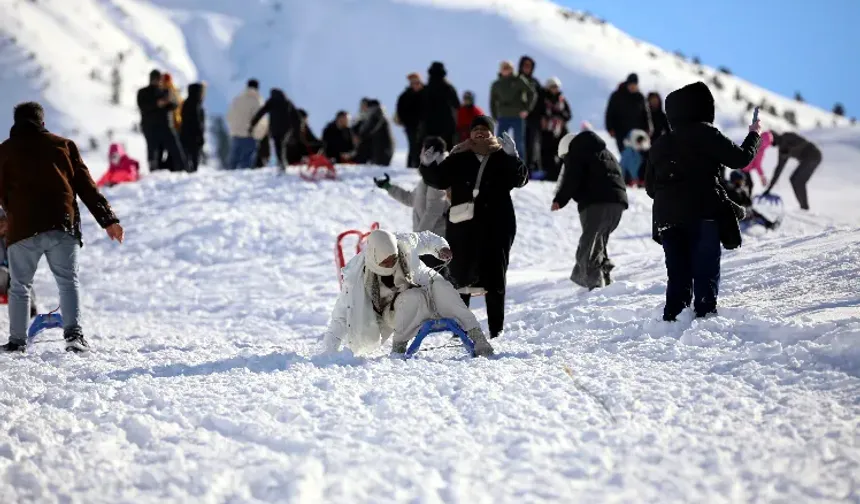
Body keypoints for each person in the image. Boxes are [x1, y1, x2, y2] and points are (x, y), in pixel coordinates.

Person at [0, 102, 125, 353]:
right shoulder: (63, 146)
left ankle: (17, 342)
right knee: (68, 281)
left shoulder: (4, 151)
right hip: (61, 224)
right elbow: (86, 186)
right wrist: (109, 220)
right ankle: (74, 336)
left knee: (19, 285)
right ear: (42, 123)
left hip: (22, 227)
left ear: (16, 124)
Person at [646, 82, 760, 321]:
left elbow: (649, 188)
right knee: (705, 268)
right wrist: (753, 135)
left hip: (667, 218)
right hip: (703, 211)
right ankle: (705, 318)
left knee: (677, 274)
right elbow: (740, 159)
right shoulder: (705, 132)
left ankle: (673, 319)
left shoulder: (660, 144)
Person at [420, 116, 528, 339]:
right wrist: (427, 165)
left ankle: (496, 330)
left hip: (498, 225)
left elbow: (520, 179)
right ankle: (461, 329)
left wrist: (513, 157)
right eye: (476, 129)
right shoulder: (459, 156)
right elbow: (440, 181)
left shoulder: (501, 156)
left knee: (495, 275)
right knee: (461, 275)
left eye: (485, 129)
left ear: (491, 132)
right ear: (470, 133)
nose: (480, 132)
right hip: (464, 227)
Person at [322, 229, 494, 357]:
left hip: (422, 287)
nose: (391, 263)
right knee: (410, 298)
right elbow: (341, 315)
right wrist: (328, 351)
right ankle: (399, 348)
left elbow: (426, 238)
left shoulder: (402, 243)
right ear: (374, 257)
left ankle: (477, 336)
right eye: (386, 261)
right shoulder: (357, 276)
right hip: (393, 312)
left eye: (394, 258)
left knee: (442, 286)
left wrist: (440, 248)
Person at [552, 130, 628, 289]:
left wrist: (560, 199)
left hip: (596, 204)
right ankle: (605, 279)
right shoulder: (605, 152)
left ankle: (591, 286)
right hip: (616, 206)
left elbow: (572, 177)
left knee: (588, 245)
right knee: (598, 243)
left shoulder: (577, 151)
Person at [374, 136, 450, 270]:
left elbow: (433, 211)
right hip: (427, 241)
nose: (421, 154)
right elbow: (411, 199)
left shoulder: (439, 176)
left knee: (433, 283)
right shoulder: (429, 176)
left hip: (436, 243)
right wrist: (388, 187)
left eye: (423, 150)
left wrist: (417, 239)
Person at [137, 69, 187, 172]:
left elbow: (175, 104)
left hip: (166, 126)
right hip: (150, 127)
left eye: (159, 79)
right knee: (154, 153)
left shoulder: (166, 91)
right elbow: (142, 106)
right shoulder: (143, 92)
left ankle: (183, 170)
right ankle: (155, 173)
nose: (158, 81)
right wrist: (157, 104)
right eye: (156, 78)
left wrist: (168, 102)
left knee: (176, 150)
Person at [490, 60, 537, 162]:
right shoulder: (496, 84)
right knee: (500, 142)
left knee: (518, 142)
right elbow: (492, 101)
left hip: (517, 116)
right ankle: (498, 166)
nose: (506, 70)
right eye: (504, 68)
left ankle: (520, 167)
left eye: (508, 68)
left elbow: (532, 93)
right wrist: (494, 117)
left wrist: (526, 109)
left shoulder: (519, 80)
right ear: (500, 70)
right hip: (503, 116)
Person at [764, 131, 821, 210]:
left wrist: (790, 149)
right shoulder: (782, 150)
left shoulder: (787, 136)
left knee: (797, 180)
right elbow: (778, 170)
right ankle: (804, 207)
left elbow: (803, 143)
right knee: (794, 179)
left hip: (813, 155)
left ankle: (804, 207)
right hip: (808, 159)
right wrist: (769, 188)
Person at [250, 88, 302, 170]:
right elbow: (296, 117)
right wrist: (296, 131)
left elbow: (261, 112)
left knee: (278, 145)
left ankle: (281, 163)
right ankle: (282, 163)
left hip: (275, 129)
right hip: (286, 129)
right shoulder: (287, 102)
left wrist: (252, 124)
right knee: (282, 145)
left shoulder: (271, 102)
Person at [0, 210, 39, 318]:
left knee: (22, 276)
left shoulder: (12, 239)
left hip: (11, 278)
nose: (1, 226)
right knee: (3, 272)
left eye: (3, 223)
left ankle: (31, 308)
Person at [605, 73, 652, 154]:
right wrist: (610, 128)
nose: (632, 87)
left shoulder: (640, 97)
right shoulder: (617, 95)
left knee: (639, 157)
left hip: (638, 132)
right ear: (627, 84)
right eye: (631, 84)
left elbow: (646, 114)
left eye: (634, 84)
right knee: (626, 155)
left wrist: (648, 128)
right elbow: (609, 113)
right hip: (621, 132)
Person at [226, 79, 268, 170]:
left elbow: (229, 116)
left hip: (235, 135)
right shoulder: (257, 102)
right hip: (249, 136)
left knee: (232, 162)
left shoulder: (237, 99)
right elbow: (261, 121)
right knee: (246, 164)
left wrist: (233, 129)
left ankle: (227, 182)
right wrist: (259, 135)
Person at [418, 62, 460, 148]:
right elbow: (457, 104)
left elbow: (420, 108)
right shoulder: (448, 88)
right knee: (447, 153)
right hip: (447, 126)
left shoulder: (425, 89)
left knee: (430, 154)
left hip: (429, 127)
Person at [538, 77, 572, 181]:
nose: (555, 89)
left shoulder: (562, 99)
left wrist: (560, 115)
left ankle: (561, 174)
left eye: (556, 87)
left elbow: (568, 115)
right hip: (547, 132)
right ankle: (549, 174)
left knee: (563, 153)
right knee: (548, 154)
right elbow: (540, 112)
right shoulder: (542, 98)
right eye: (553, 87)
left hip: (560, 131)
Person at [518, 55, 543, 171]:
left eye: (529, 66)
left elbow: (542, 100)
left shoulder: (535, 83)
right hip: (516, 117)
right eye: (525, 65)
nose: (527, 68)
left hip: (533, 118)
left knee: (531, 143)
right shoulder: (515, 80)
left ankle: (530, 167)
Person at [395, 73, 425, 168]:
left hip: (424, 126)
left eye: (417, 82)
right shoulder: (405, 96)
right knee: (413, 146)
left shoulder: (426, 94)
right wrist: (406, 122)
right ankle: (411, 167)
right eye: (413, 82)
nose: (415, 85)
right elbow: (400, 111)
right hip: (411, 126)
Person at [354, 99, 394, 166]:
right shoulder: (371, 117)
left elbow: (370, 129)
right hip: (379, 150)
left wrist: (360, 137)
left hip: (382, 150)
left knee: (380, 169)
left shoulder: (377, 115)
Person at [179, 82, 206, 172]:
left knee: (186, 159)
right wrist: (201, 136)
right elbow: (198, 123)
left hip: (184, 135)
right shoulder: (196, 105)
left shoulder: (186, 103)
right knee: (194, 161)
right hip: (194, 137)